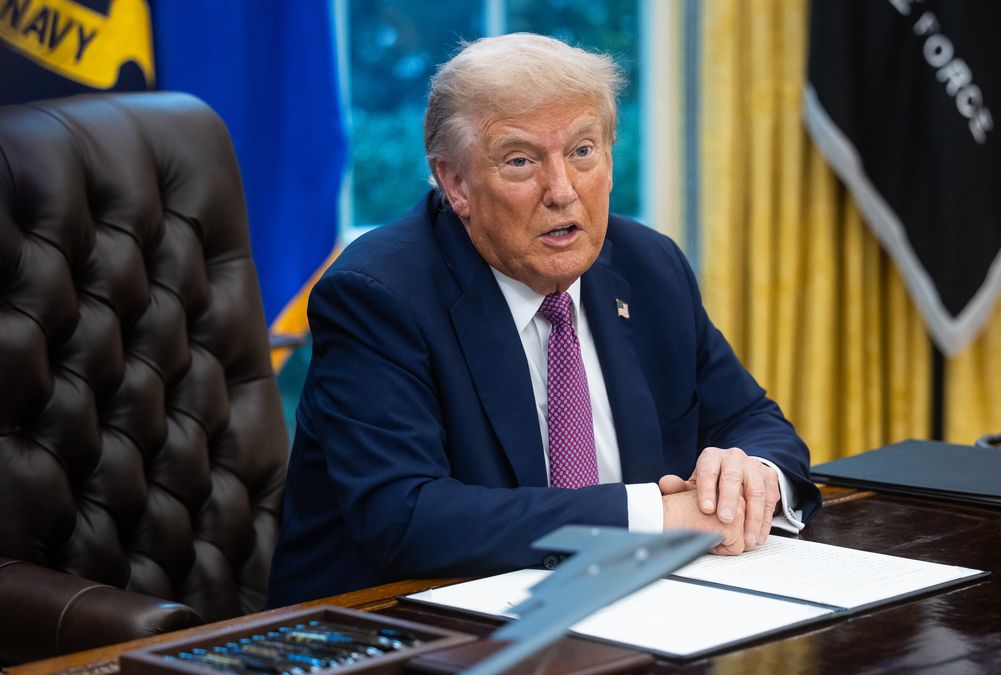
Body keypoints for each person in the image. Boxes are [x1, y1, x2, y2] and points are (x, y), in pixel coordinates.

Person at [267, 33, 820, 606]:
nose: (562, 191)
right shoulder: (379, 295)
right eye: (521, 161)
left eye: (582, 151)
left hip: (629, 613)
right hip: (391, 632)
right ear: (455, 183)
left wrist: (750, 476)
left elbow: (754, 419)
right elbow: (407, 517)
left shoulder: (649, 267)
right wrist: (659, 516)